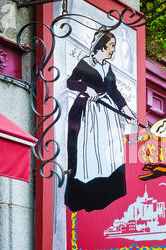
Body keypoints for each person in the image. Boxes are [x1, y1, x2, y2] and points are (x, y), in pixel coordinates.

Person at [65, 29, 137, 212]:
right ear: (101, 46)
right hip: (87, 112)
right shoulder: (85, 62)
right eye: (111, 46)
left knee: (108, 155)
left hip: (106, 113)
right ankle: (87, 195)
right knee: (89, 153)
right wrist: (85, 88)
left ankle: (106, 195)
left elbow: (114, 92)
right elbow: (70, 82)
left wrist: (127, 111)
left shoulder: (107, 66)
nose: (113, 50)